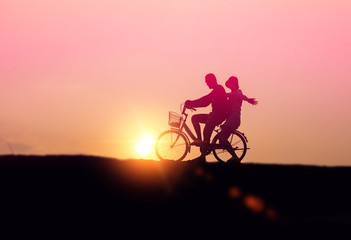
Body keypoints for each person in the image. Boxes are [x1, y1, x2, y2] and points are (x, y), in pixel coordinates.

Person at [185, 73, 228, 163]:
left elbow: (205, 100)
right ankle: (199, 141)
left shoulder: (218, 89)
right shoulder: (216, 89)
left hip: (218, 116)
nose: (206, 84)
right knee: (194, 118)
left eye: (207, 82)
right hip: (213, 115)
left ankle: (202, 156)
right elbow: (205, 102)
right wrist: (192, 103)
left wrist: (191, 102)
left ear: (212, 81)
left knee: (206, 131)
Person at [217, 76, 258, 164]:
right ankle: (233, 156)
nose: (230, 86)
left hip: (234, 119)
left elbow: (242, 96)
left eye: (231, 83)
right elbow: (226, 95)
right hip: (231, 119)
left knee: (222, 138)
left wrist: (248, 100)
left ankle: (235, 157)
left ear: (235, 83)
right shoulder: (232, 93)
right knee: (222, 139)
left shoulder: (238, 92)